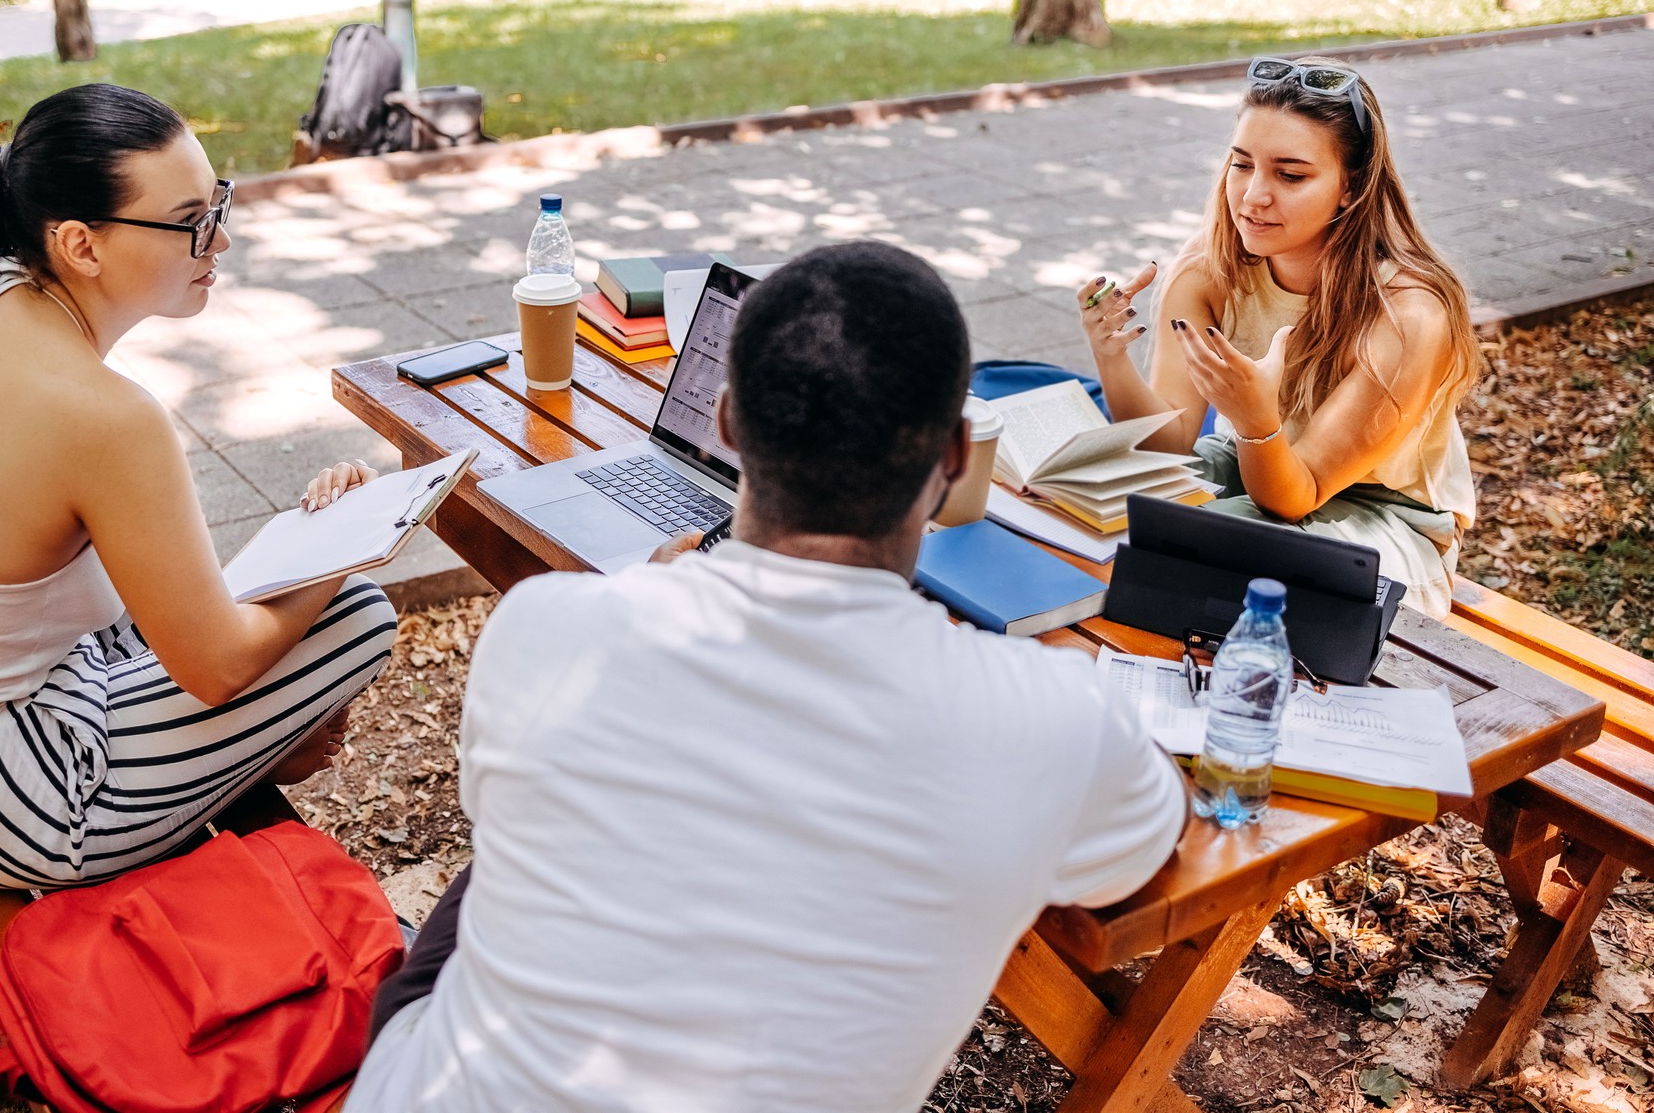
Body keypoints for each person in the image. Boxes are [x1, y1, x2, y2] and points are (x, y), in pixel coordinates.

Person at [340, 242, 1187, 1113]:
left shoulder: (547, 628)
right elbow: (1147, 844)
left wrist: (646, 598)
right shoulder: (1056, 723)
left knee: (525, 836)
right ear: (955, 459)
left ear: (729, 422)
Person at [0, 83, 397, 890]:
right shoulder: (106, 418)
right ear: (81, 246)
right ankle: (255, 752)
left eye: (219, 202)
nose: (220, 240)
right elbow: (218, 667)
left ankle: (252, 744)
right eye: (192, 220)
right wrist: (345, 550)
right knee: (358, 614)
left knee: (193, 607)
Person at [1075, 56, 1479, 617]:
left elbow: (1297, 495)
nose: (1253, 197)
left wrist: (1255, 421)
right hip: (1256, 458)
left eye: (1290, 175)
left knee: (1172, 555)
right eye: (1241, 165)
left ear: (1350, 188)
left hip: (1384, 515)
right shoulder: (1208, 267)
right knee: (1109, 502)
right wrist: (1110, 354)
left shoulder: (1409, 311)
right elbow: (1166, 445)